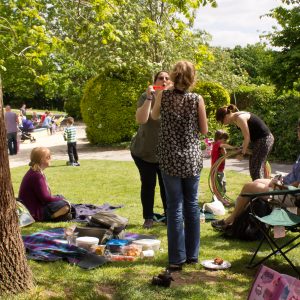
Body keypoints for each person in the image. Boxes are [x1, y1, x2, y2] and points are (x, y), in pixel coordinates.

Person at [151, 61, 208, 271]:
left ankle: (176, 258)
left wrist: (159, 95)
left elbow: (154, 116)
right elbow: (204, 130)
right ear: (192, 78)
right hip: (191, 158)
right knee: (191, 205)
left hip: (169, 157)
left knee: (174, 207)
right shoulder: (197, 99)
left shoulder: (163, 96)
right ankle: (192, 256)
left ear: (173, 76)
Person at [212, 121, 300, 231]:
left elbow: (297, 185)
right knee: (257, 180)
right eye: (298, 129)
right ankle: (236, 220)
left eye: (298, 129)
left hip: (289, 194)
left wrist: (280, 186)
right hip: (285, 186)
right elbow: (295, 175)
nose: (298, 132)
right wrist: (280, 178)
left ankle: (230, 220)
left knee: (248, 187)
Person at [130, 71, 170, 229]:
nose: (164, 80)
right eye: (161, 78)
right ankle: (148, 217)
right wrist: (148, 97)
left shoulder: (173, 98)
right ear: (155, 81)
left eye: (167, 78)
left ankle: (169, 216)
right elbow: (141, 119)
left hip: (165, 154)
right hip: (143, 152)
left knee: (166, 186)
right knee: (148, 184)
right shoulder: (146, 96)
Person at [216, 104, 274, 181]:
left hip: (264, 140)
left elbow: (247, 138)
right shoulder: (236, 118)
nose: (223, 123)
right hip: (259, 140)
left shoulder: (240, 118)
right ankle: (260, 189)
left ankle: (261, 190)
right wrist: (242, 148)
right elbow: (247, 138)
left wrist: (242, 153)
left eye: (222, 121)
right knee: (254, 168)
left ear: (226, 116)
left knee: (256, 169)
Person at [18, 147, 72, 222]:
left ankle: (58, 215)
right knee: (65, 206)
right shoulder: (36, 175)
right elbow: (45, 198)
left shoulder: (35, 171)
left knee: (61, 198)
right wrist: (63, 200)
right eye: (48, 157)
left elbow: (44, 197)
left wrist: (60, 198)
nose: (50, 158)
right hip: (34, 212)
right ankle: (50, 218)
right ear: (41, 159)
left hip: (35, 206)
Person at [211, 130, 235, 194]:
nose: (225, 142)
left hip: (221, 169)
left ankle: (222, 197)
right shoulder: (216, 144)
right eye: (224, 140)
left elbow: (225, 155)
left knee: (223, 184)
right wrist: (233, 148)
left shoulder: (220, 147)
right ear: (219, 138)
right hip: (216, 169)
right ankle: (218, 198)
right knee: (218, 185)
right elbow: (224, 145)